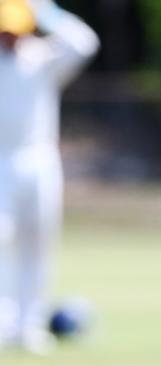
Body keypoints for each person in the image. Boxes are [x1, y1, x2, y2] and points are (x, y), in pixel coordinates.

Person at [0, 0, 99, 353]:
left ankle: (29, 325)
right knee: (2, 239)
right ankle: (5, 320)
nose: (9, 36)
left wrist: (45, 11)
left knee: (37, 241)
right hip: (1, 161)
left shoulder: (41, 56)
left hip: (40, 158)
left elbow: (84, 42)